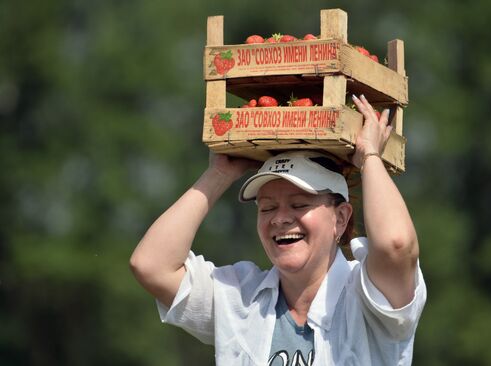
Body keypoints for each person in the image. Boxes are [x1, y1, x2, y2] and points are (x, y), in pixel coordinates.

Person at [130, 95, 427, 365]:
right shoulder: (240, 300)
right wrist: (219, 174)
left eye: (298, 205)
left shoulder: (370, 299)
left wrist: (369, 157)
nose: (280, 219)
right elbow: (151, 265)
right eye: (267, 207)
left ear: (340, 218)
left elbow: (396, 245)